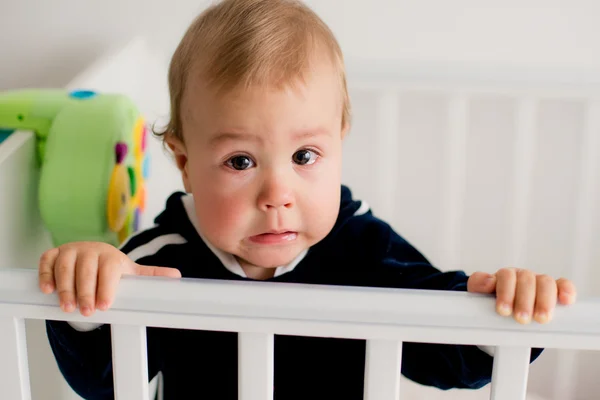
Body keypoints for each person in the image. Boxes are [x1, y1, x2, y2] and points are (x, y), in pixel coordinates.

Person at [39, 0, 577, 399]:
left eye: (304, 156)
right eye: (241, 162)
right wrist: (90, 291)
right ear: (184, 162)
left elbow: (439, 348)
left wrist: (508, 312)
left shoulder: (361, 246)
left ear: (339, 140)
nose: (277, 195)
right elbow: (102, 380)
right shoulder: (160, 259)